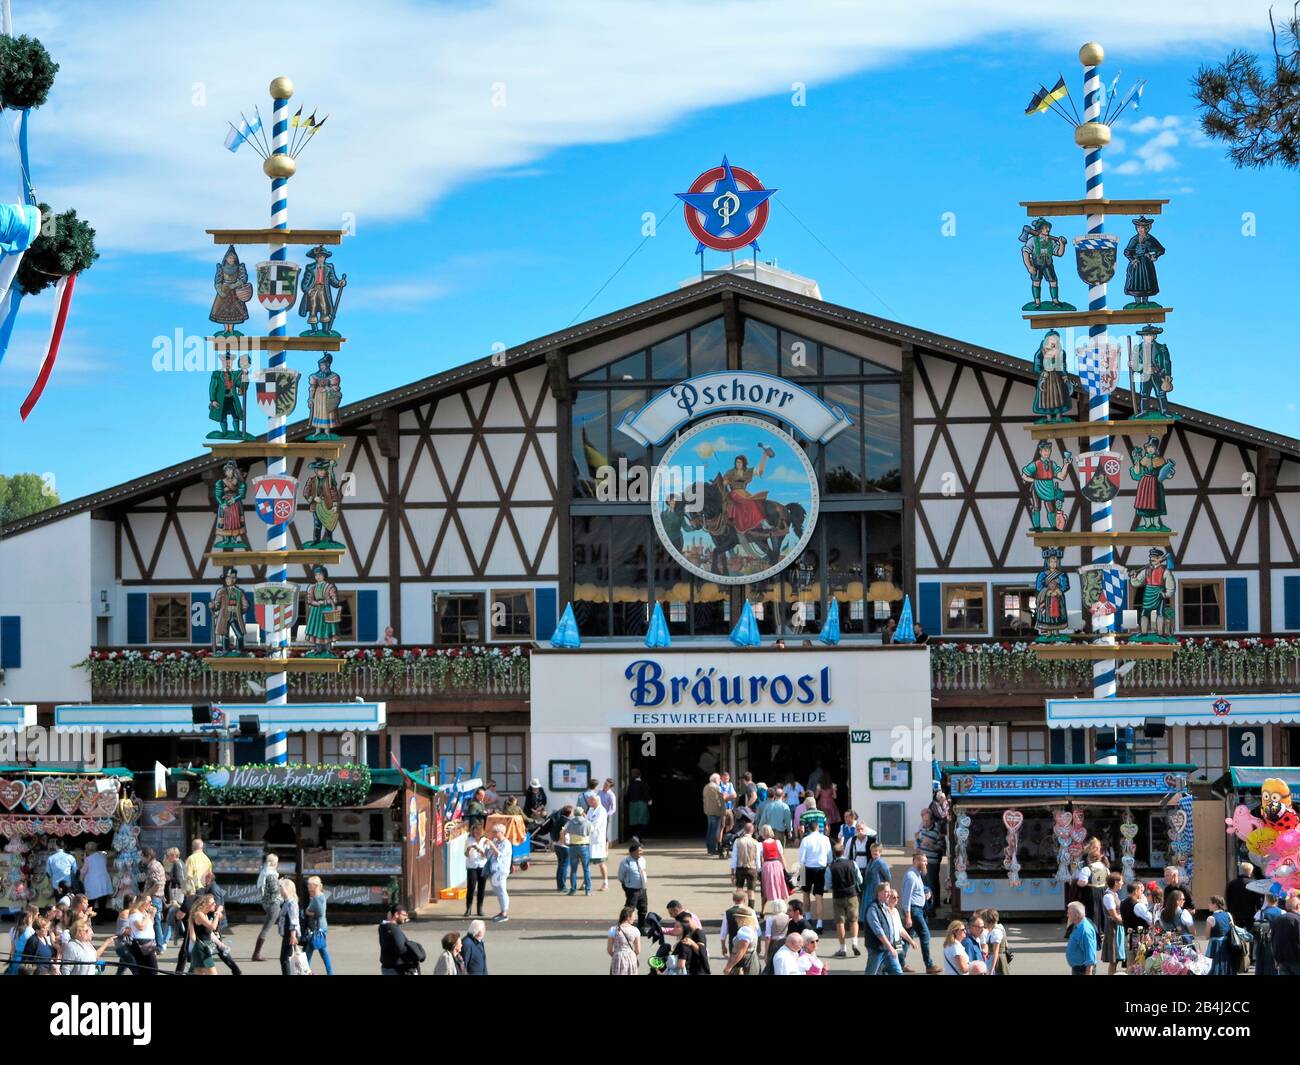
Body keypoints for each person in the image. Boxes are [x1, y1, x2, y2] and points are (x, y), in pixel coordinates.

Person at [902, 852, 939, 973]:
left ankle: (898, 963)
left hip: (917, 909)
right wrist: (908, 917)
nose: (926, 863)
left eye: (926, 861)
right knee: (925, 935)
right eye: (923, 861)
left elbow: (915, 893)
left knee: (907, 938)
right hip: (914, 910)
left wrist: (925, 895)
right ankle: (929, 965)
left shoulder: (917, 874)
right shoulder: (911, 876)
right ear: (916, 861)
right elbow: (906, 898)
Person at [827, 842, 862, 958]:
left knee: (840, 922)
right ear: (843, 852)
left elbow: (828, 885)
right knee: (853, 920)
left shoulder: (831, 867)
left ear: (834, 854)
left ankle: (843, 948)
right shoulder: (853, 863)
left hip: (838, 895)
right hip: (852, 895)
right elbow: (860, 880)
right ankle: (855, 943)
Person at [798, 819, 833, 930]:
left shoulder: (805, 840)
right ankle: (819, 923)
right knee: (819, 896)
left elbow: (801, 859)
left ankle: (808, 918)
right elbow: (830, 857)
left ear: (808, 829)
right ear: (818, 827)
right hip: (821, 869)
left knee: (805, 894)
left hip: (807, 868)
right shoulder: (826, 839)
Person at [863, 882, 901, 974]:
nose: (889, 894)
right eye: (886, 892)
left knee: (897, 971)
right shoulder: (873, 909)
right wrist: (890, 947)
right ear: (878, 893)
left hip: (888, 949)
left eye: (889, 892)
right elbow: (878, 931)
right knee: (872, 972)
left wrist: (892, 946)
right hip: (877, 948)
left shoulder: (885, 906)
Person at [915, 807, 946, 917]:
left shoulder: (937, 831)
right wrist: (918, 848)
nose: (925, 822)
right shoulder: (922, 829)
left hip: (932, 862)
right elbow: (918, 840)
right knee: (925, 885)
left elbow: (942, 848)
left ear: (932, 820)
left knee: (931, 885)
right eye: (924, 820)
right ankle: (929, 906)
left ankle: (931, 909)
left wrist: (931, 845)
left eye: (927, 820)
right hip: (923, 861)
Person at [251, 852, 281, 962]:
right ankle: (256, 954)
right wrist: (281, 883)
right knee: (267, 928)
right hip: (273, 904)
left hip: (266, 903)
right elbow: (274, 890)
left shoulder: (264, 872)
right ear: (274, 863)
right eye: (277, 862)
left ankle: (290, 949)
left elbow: (264, 887)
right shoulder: (272, 874)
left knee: (283, 924)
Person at [378, 905, 425, 975]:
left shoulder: (383, 926)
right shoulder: (394, 929)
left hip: (387, 966)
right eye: (404, 915)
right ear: (396, 914)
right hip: (396, 969)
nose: (406, 917)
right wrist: (414, 948)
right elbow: (401, 949)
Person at [302, 876, 333, 976]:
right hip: (318, 928)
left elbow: (320, 913)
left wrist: (307, 912)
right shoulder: (318, 896)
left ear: (315, 886)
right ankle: (328, 972)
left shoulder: (317, 898)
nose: (308, 887)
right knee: (322, 951)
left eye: (309, 885)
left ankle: (305, 971)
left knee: (309, 952)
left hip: (317, 929)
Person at [1205, 895, 1241, 976]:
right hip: (1228, 944)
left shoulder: (1210, 918)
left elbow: (1207, 936)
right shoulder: (1228, 914)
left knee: (1215, 967)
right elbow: (1232, 928)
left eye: (1210, 903)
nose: (1208, 904)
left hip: (1215, 945)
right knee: (1227, 965)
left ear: (1215, 904)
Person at [1097, 871, 1125, 976]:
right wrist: (1127, 923)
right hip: (1113, 928)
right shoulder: (1108, 896)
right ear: (1116, 882)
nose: (1122, 883)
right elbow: (1114, 916)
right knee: (1114, 959)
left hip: (1117, 927)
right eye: (1121, 881)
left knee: (1116, 959)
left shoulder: (1114, 894)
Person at [617, 841, 649, 932]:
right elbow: (620, 876)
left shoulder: (642, 860)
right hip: (631, 889)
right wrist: (627, 885)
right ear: (633, 852)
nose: (641, 852)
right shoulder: (625, 862)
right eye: (640, 850)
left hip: (642, 888)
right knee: (629, 909)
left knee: (643, 908)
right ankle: (623, 927)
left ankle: (641, 927)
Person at [721, 902, 760, 975]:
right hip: (751, 961)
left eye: (737, 917)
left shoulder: (745, 930)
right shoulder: (752, 928)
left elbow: (742, 950)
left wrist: (729, 966)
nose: (736, 919)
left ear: (743, 918)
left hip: (746, 963)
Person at [140, 847, 167, 949]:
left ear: (148, 856)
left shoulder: (153, 867)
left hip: (154, 898)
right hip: (157, 897)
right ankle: (158, 944)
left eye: (143, 856)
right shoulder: (158, 864)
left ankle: (159, 946)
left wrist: (147, 895)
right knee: (156, 921)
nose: (142, 859)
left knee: (155, 922)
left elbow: (157, 884)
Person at [186, 894, 220, 976]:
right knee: (213, 973)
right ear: (205, 904)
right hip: (201, 948)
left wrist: (220, 944)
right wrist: (217, 915)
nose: (215, 904)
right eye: (212, 903)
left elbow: (209, 932)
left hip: (203, 947)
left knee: (198, 973)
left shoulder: (205, 915)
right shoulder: (199, 914)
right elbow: (213, 927)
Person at [757, 825, 789, 908]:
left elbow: (760, 859)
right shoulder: (777, 842)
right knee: (779, 885)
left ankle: (762, 910)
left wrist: (759, 870)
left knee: (765, 888)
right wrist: (785, 869)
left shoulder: (760, 845)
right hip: (777, 865)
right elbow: (781, 856)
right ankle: (781, 907)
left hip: (767, 866)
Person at [563, 804, 591, 897]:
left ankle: (573, 890)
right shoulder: (587, 822)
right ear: (582, 813)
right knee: (586, 869)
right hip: (584, 847)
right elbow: (592, 830)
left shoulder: (570, 822)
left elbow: (564, 830)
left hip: (573, 847)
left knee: (573, 870)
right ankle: (587, 891)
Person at [730, 822, 760, 908]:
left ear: (744, 830)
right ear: (753, 831)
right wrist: (759, 871)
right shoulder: (756, 842)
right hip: (752, 868)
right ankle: (751, 911)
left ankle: (739, 908)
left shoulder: (737, 841)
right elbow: (757, 859)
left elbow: (734, 858)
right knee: (751, 892)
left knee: (739, 890)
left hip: (740, 868)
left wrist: (732, 873)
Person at [1269, 893, 1300, 976]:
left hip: (1282, 961)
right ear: (1298, 906)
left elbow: (1273, 940)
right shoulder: (1298, 920)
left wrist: (1276, 959)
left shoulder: (1276, 920)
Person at [126, 896, 158, 975]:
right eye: (149, 901)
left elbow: (149, 925)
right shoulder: (135, 913)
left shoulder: (143, 912)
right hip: (142, 943)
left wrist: (152, 915)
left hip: (149, 943)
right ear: (141, 902)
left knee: (147, 969)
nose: (151, 904)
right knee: (152, 970)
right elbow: (141, 926)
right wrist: (148, 915)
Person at [1066, 900, 1098, 975]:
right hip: (1078, 968)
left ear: (1076, 915)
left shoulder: (1085, 930)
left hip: (1083, 970)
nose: (1067, 915)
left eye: (1069, 913)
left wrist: (1089, 971)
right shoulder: (1077, 925)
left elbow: (1090, 951)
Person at [586, 793, 610, 891]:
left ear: (594, 801)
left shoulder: (602, 811)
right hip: (589, 840)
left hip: (598, 840)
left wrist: (586, 825)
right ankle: (585, 882)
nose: (588, 802)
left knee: (601, 863)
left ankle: (605, 882)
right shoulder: (590, 809)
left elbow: (594, 824)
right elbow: (587, 820)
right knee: (586, 862)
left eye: (589, 800)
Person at [464, 828, 490, 917]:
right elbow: (466, 855)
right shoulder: (469, 840)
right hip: (472, 866)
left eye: (478, 833)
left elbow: (486, 855)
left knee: (481, 888)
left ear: (481, 833)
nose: (476, 835)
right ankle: (468, 908)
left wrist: (478, 849)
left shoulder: (485, 841)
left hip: (482, 866)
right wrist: (468, 849)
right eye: (474, 833)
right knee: (471, 887)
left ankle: (479, 909)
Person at [488, 823, 512, 922]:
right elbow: (489, 854)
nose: (493, 834)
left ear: (501, 832)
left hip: (501, 870)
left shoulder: (506, 843)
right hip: (493, 869)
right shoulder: (495, 841)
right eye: (493, 831)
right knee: (497, 892)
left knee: (502, 891)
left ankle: (505, 913)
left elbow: (500, 855)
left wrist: (492, 845)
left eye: (495, 832)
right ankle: (502, 911)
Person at [277, 877, 301, 976]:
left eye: (281, 888)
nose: (279, 890)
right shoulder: (286, 901)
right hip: (287, 934)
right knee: (287, 958)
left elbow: (294, 920)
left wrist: (293, 935)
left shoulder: (292, 903)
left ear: (286, 889)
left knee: (284, 959)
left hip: (290, 934)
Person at [607, 906, 641, 975]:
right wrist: (631, 954)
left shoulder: (613, 929)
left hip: (618, 957)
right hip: (631, 957)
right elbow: (638, 950)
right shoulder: (635, 930)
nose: (635, 918)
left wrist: (617, 954)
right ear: (628, 917)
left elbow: (609, 950)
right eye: (633, 916)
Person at [81, 842, 112, 912]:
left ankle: (90, 918)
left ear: (88, 849)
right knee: (102, 902)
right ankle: (100, 919)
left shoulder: (88, 859)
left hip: (93, 883)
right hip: (104, 881)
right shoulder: (103, 856)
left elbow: (83, 871)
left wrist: (81, 879)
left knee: (91, 902)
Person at [1226, 862, 1257, 931]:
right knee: (1251, 933)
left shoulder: (1232, 883)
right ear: (1251, 871)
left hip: (1235, 913)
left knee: (1237, 934)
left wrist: (1229, 910)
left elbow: (1228, 899)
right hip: (1250, 913)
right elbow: (1258, 900)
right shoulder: (1254, 884)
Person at [624, 768, 652, 839]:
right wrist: (649, 800)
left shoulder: (631, 785)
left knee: (634, 822)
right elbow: (645, 793)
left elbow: (628, 794)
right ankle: (638, 836)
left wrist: (626, 802)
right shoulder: (643, 784)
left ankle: (636, 836)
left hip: (632, 804)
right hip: (641, 804)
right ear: (640, 775)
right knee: (644, 821)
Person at [702, 773, 726, 856]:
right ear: (715, 779)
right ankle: (712, 849)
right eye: (719, 779)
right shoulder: (716, 787)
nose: (720, 781)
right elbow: (720, 801)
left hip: (708, 811)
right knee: (714, 831)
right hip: (716, 812)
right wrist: (723, 811)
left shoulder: (706, 787)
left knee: (710, 830)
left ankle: (709, 849)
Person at [982, 907, 1009, 976]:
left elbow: (995, 952)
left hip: (997, 960)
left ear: (988, 920)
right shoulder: (999, 927)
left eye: (984, 920)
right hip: (997, 958)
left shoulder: (995, 932)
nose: (983, 923)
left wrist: (992, 968)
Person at [600, 778, 618, 843]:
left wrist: (606, 814)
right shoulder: (599, 792)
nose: (604, 785)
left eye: (606, 785)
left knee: (604, 832)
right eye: (604, 783)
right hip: (597, 814)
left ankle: (606, 849)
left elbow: (613, 809)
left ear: (610, 787)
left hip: (604, 816)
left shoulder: (611, 795)